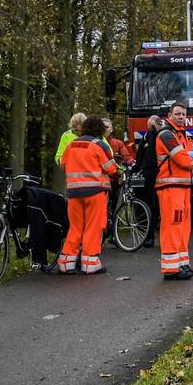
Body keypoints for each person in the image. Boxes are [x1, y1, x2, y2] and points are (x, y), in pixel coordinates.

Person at [56, 117, 118, 275]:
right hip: (94, 193)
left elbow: (62, 165)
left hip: (74, 193)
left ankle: (66, 262)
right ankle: (90, 262)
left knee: (75, 227)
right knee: (93, 227)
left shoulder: (71, 145)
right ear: (99, 130)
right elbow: (110, 168)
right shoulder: (99, 145)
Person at [155, 102, 193, 280]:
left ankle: (181, 264)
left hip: (182, 186)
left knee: (183, 226)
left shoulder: (182, 135)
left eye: (183, 114)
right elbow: (183, 159)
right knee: (172, 226)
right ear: (170, 115)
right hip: (170, 187)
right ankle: (171, 269)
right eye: (178, 114)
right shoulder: (167, 134)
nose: (181, 117)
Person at [134, 115, 162, 247]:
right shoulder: (161, 137)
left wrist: (134, 171)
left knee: (148, 206)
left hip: (147, 176)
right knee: (157, 207)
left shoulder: (144, 138)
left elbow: (139, 159)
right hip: (160, 175)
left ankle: (148, 237)